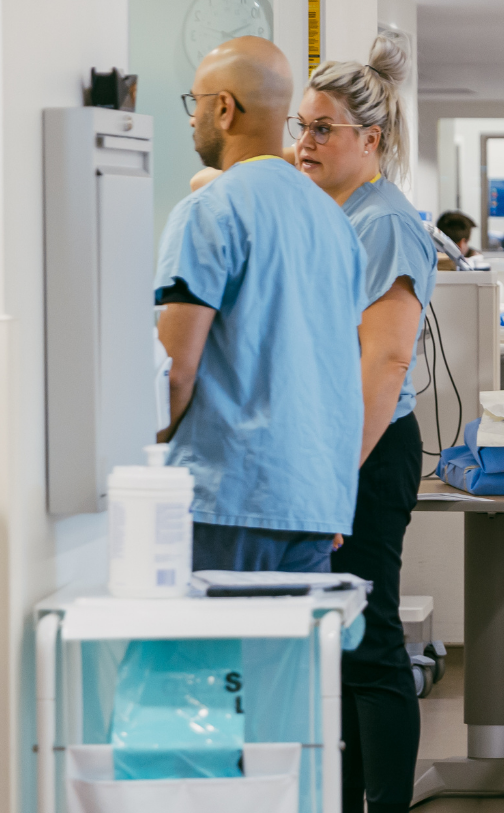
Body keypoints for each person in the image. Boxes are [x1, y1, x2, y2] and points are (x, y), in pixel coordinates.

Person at [292, 37, 435, 813]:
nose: (303, 143)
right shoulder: (323, 212)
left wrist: (334, 483)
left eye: (323, 129)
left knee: (372, 637)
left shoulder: (384, 220)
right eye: (299, 127)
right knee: (336, 643)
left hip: (366, 451)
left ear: (372, 138)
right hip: (325, 447)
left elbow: (381, 367)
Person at [154, 35, 366, 572]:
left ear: (223, 109)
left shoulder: (209, 210)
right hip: (314, 503)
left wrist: (142, 461)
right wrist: (332, 490)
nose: (191, 119)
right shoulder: (335, 225)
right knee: (292, 658)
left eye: (194, 103)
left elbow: (174, 372)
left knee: (210, 657)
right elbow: (342, 370)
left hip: (226, 503)